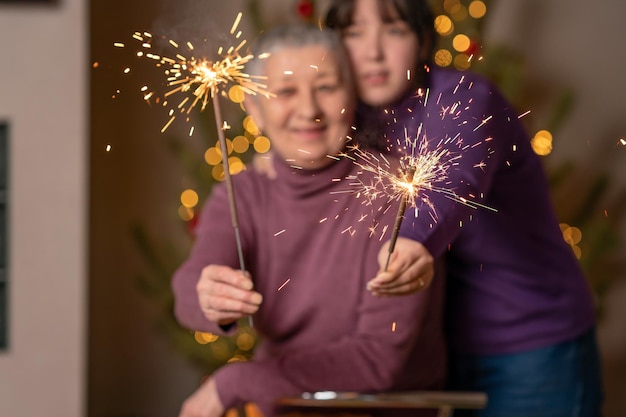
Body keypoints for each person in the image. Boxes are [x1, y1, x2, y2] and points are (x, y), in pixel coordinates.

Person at [325, 0, 604, 416]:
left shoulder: (465, 97)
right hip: (442, 351)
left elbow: (453, 180)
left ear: (422, 40)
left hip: (534, 348)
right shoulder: (345, 115)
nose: (372, 51)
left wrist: (412, 240)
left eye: (394, 29)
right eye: (352, 32)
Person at [171, 22, 445, 417]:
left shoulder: (396, 193)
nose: (309, 110)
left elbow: (377, 362)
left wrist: (236, 382)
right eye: (284, 92)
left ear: (353, 97)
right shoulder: (244, 193)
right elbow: (190, 286)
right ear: (255, 110)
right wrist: (206, 295)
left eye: (327, 88)